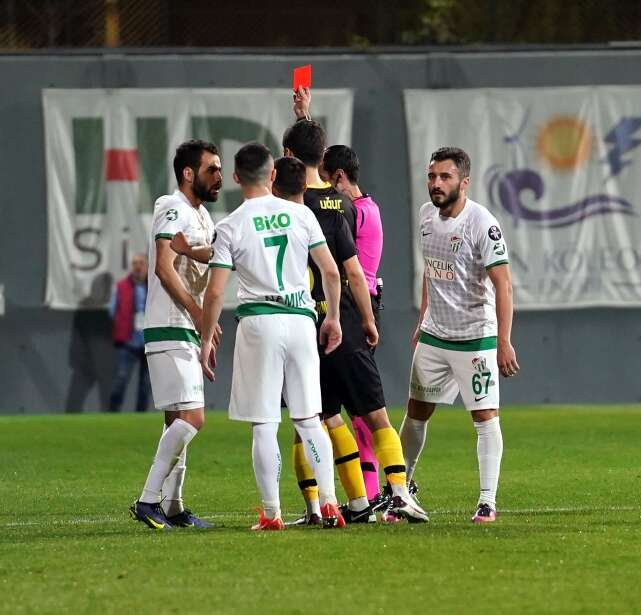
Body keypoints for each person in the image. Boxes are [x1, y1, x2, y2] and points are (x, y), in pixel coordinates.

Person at [282, 110, 427, 524]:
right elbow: (352, 272)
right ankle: (398, 493)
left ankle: (330, 505)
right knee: (375, 414)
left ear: (288, 155)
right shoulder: (342, 204)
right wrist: (367, 319)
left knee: (317, 419)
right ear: (322, 155)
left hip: (303, 322)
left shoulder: (287, 207)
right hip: (343, 317)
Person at [200, 143, 344, 530]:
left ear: (235, 178)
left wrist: (206, 339)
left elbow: (215, 292)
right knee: (309, 419)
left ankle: (271, 513)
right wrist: (332, 318)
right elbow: (331, 272)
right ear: (273, 175)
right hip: (300, 320)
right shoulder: (301, 214)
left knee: (264, 423)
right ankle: (330, 503)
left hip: (259, 323)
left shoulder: (230, 225)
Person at [399, 146, 519, 524]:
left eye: (444, 177)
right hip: (435, 336)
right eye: (432, 176)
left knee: (484, 417)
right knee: (416, 412)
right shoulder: (426, 215)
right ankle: (401, 491)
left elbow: (503, 285)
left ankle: (487, 501)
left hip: (475, 338)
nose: (435, 183)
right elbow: (430, 270)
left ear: (464, 182)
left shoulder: (482, 224)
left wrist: (503, 341)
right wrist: (423, 317)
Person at [129, 139, 222, 530]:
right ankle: (148, 500)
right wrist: (199, 314)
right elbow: (164, 268)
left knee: (176, 421)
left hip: (185, 325)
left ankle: (173, 505)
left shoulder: (203, 217)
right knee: (193, 417)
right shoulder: (172, 207)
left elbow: (204, 259)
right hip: (169, 323)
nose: (218, 176)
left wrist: (206, 320)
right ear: (188, 173)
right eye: (211, 169)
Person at [321, 144, 385, 507]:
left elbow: (353, 272)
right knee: (350, 411)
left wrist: (366, 319)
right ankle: (371, 494)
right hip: (359, 307)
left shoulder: (353, 213)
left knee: (361, 414)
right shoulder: (367, 207)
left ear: (339, 177)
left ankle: (375, 494)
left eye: (326, 181)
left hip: (356, 310)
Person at [107, 253, 151, 413]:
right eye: (135, 263)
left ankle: (141, 414)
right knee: (121, 378)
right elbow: (112, 310)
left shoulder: (154, 286)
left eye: (141, 263)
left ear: (147, 266)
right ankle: (113, 412)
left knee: (146, 383)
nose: (138, 267)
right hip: (129, 341)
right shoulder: (121, 286)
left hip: (149, 341)